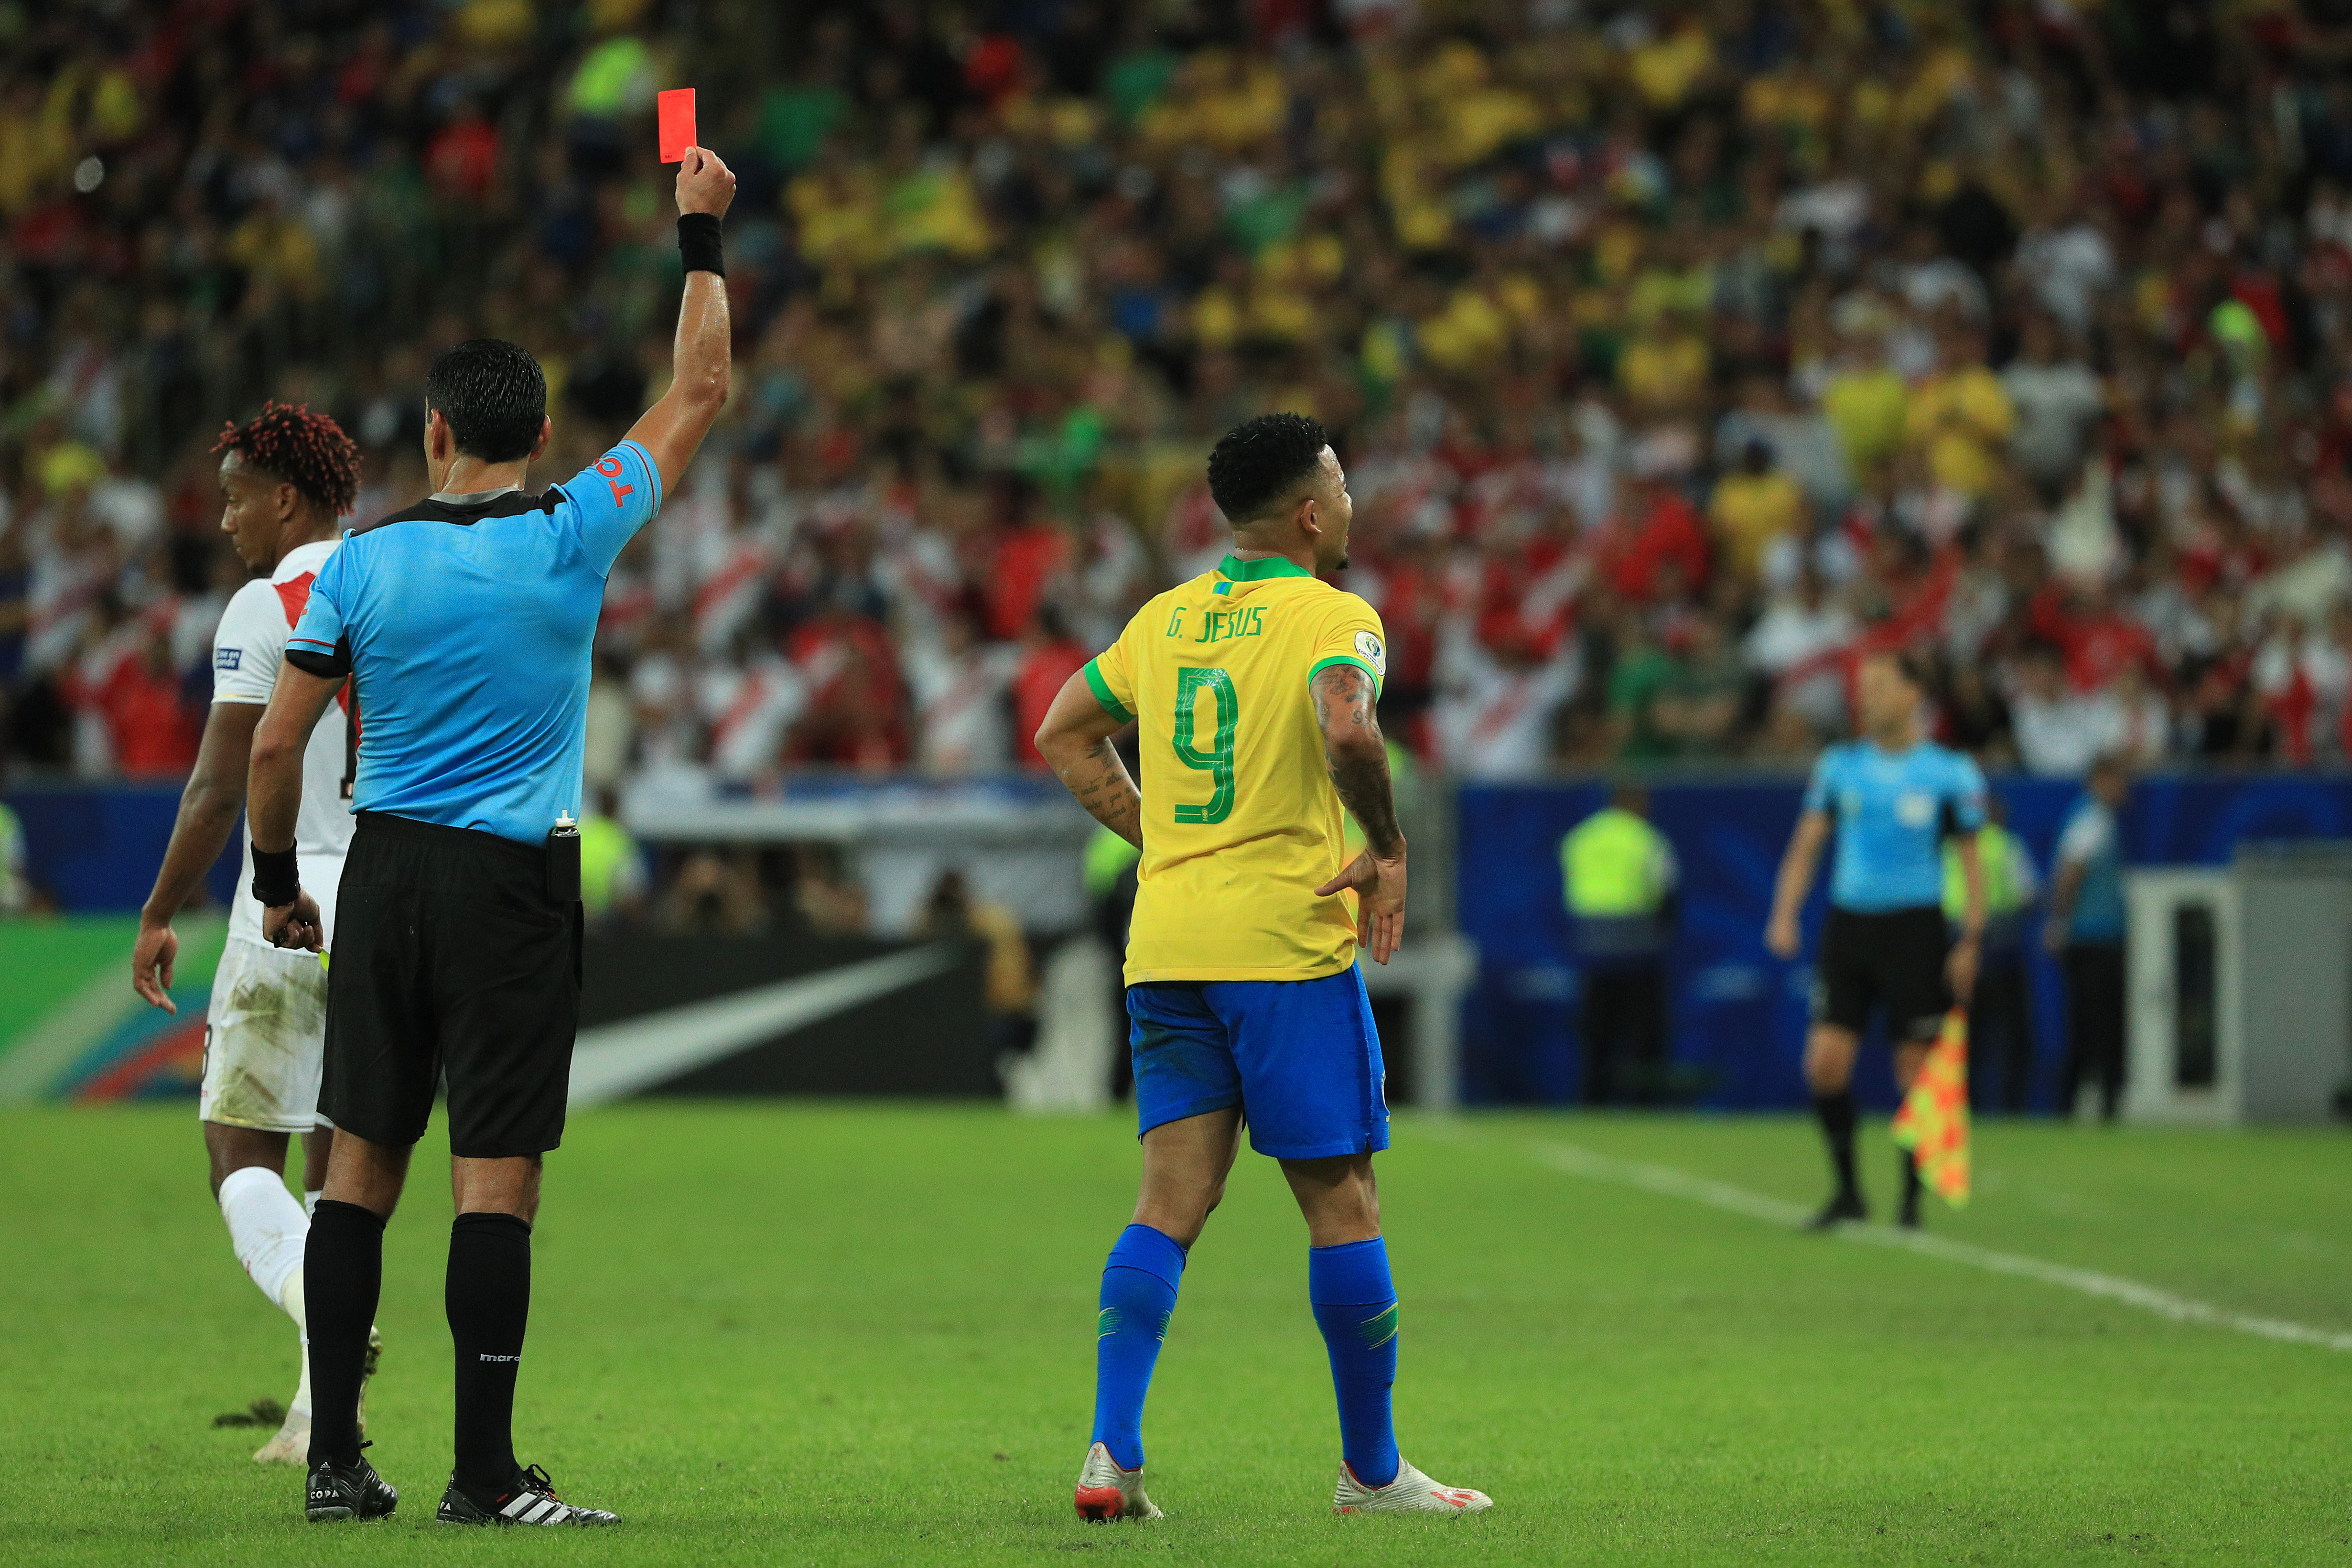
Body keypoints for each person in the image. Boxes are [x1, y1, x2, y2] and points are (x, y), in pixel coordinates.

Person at [244, 146, 737, 1527]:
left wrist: (283, 884)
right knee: (493, 1186)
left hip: (387, 868)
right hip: (511, 885)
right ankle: (481, 1477)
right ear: (535, 433)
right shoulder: (575, 530)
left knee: (356, 1169)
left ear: (436, 436)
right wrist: (698, 238)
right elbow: (701, 388)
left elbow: (280, 744)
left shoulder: (359, 563)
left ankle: (337, 1463)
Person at [1034, 412, 1492, 1519]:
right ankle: (1372, 1472)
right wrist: (1385, 847)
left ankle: (1112, 1451)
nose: (1350, 500)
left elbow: (1062, 730)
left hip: (1168, 945)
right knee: (1342, 1200)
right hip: (1282, 947)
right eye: (1341, 482)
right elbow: (1348, 726)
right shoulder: (1335, 615)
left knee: (1167, 1199)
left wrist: (1165, 841)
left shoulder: (1165, 616)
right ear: (1308, 511)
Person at [125, 403, 373, 1465]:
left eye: (234, 496)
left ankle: (325, 1308)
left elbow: (222, 782)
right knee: (346, 1163)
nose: (225, 519)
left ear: (286, 497)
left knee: (236, 1145)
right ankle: (320, 1417)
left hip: (289, 895)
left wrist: (157, 909)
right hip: (397, 900)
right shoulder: (401, 580)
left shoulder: (267, 603)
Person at [1765, 649, 1987, 1230]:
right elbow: (1807, 842)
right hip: (1850, 926)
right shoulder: (1838, 766)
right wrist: (1784, 912)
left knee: (1914, 1070)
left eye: (1881, 685)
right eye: (1862, 687)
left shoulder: (1949, 773)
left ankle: (1910, 1201)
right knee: (1824, 1064)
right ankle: (1847, 1190)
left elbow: (1971, 858)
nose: (1867, 697)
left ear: (1913, 695)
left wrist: (1970, 939)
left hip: (1915, 927)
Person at [1560, 781, 1679, 1106]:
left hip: (1591, 947)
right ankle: (1643, 1101)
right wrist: (1664, 931)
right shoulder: (1647, 839)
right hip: (1637, 946)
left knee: (1597, 1032)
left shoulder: (1582, 837)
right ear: (1636, 802)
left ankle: (1593, 1100)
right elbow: (1668, 890)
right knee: (1643, 1033)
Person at [1943, 793, 2040, 1114]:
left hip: (1957, 950)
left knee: (1962, 1037)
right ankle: (2013, 1108)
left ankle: (1961, 1108)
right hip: (2001, 953)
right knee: (2013, 1038)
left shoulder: (1949, 848)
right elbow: (2028, 895)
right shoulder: (2008, 846)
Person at [2046, 754, 2130, 1122]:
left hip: (2096, 937)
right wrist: (2061, 923)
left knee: (2096, 1024)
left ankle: (2089, 1103)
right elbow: (2070, 873)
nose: (2125, 789)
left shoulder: (2097, 819)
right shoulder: (2091, 820)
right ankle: (2085, 1105)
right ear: (2101, 778)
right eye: (2119, 779)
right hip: (2092, 940)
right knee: (2095, 1025)